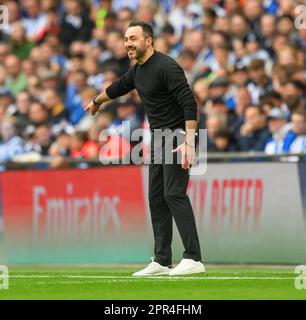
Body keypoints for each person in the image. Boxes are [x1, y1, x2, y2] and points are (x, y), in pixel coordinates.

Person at [84, 21, 204, 276]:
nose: (128, 43)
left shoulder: (166, 65)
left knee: (174, 194)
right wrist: (96, 101)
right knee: (157, 198)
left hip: (178, 136)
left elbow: (189, 102)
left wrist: (190, 142)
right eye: (126, 38)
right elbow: (117, 88)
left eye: (133, 38)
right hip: (158, 138)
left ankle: (193, 258)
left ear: (148, 41)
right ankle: (161, 260)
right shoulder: (138, 70)